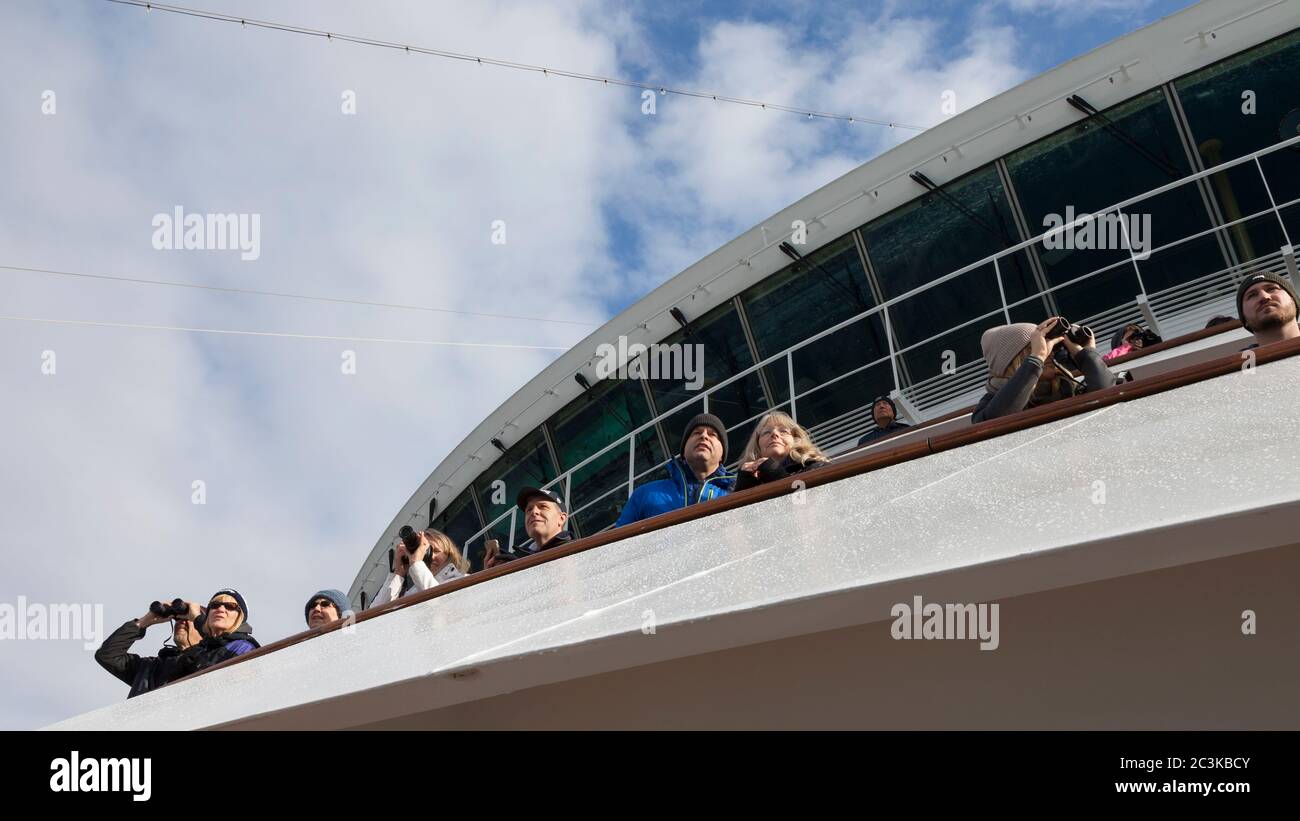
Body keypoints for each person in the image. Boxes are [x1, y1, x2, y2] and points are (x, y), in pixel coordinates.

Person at [972, 318, 1116, 423]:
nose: (1048, 352)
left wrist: (1087, 355)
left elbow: (1108, 396)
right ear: (1011, 361)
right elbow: (998, 423)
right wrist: (1037, 359)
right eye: (1035, 347)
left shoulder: (1067, 387)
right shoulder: (989, 404)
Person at [614, 413, 735, 527]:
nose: (704, 436)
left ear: (722, 455)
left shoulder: (737, 491)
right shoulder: (644, 494)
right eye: (696, 433)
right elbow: (615, 545)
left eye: (712, 434)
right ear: (683, 451)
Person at [95, 602, 204, 699]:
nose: (181, 622)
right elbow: (107, 655)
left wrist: (197, 618)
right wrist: (144, 622)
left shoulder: (211, 657)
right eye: (178, 619)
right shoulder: (149, 668)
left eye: (188, 619)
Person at [735, 411, 829, 491]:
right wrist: (742, 489)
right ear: (757, 445)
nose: (774, 434)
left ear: (795, 439)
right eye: (767, 432)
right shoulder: (748, 479)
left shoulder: (815, 466)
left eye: (783, 431)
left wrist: (775, 474)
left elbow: (812, 503)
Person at [373, 528, 468, 605]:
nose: (431, 556)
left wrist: (416, 562)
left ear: (449, 555)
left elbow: (440, 603)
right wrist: (399, 572)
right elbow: (374, 615)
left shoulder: (463, 580)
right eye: (425, 551)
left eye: (436, 551)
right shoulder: (412, 593)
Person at [485, 487, 573, 569]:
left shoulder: (578, 552)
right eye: (529, 509)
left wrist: (519, 570)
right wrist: (491, 576)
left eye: (543, 506)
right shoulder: (520, 558)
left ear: (561, 519)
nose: (533, 512)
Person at [1236, 271, 1300, 349]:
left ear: (1293, 301)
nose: (1264, 297)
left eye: (1271, 289)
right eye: (1252, 295)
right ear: (1243, 317)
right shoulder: (1242, 361)